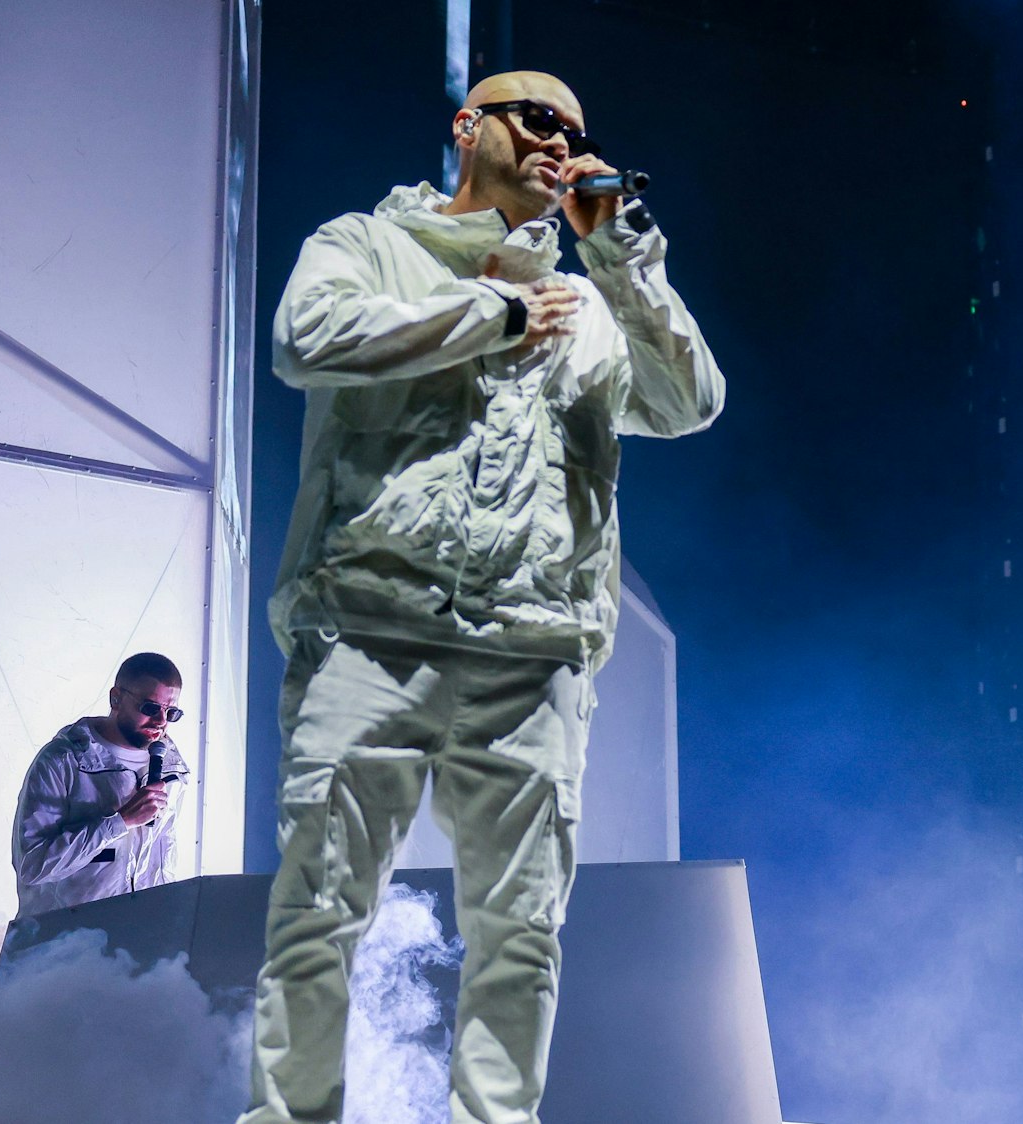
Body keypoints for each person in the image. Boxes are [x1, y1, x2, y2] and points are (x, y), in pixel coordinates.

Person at [241, 70, 724, 1124]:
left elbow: (688, 402)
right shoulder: (368, 245)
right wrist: (495, 313)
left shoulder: (593, 300)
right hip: (369, 632)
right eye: (538, 119)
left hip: (532, 649)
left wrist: (622, 255)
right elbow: (302, 340)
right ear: (469, 127)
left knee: (521, 932)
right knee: (317, 911)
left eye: (580, 134)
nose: (562, 142)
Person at [11, 652, 190, 918]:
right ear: (115, 698)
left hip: (137, 943)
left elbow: (161, 862)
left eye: (171, 712)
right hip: (64, 944)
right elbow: (33, 865)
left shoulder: (170, 768)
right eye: (150, 708)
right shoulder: (63, 762)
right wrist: (120, 821)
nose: (161, 722)